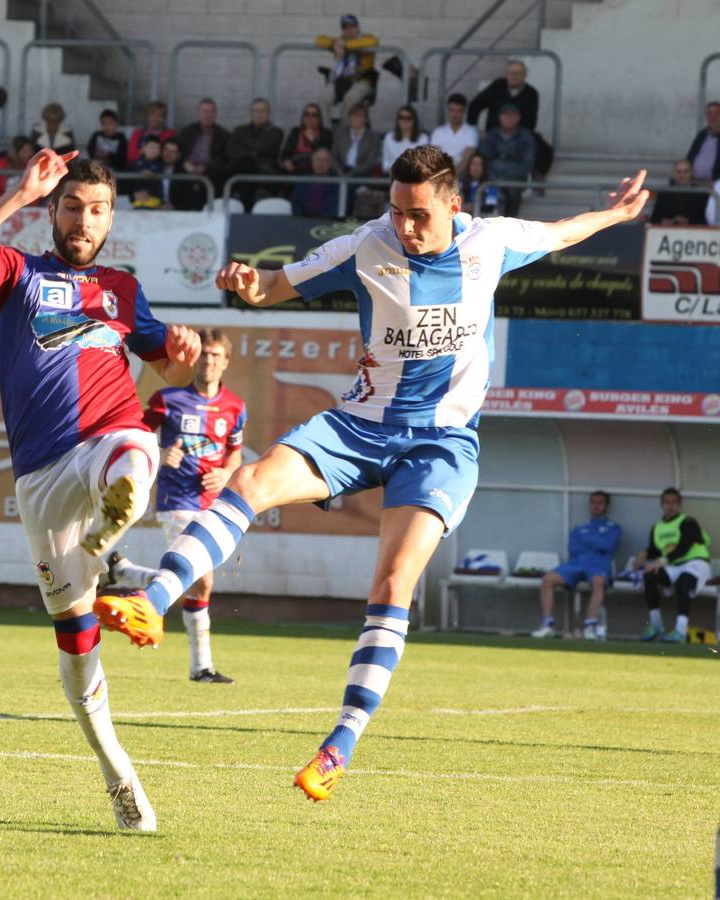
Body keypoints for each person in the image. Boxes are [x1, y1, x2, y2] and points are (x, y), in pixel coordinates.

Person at [94, 146, 651, 802]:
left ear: (453, 205)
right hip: (358, 426)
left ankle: (340, 744)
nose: (405, 227)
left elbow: (561, 233)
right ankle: (152, 601)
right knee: (249, 483)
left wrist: (615, 215)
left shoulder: (492, 242)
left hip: (442, 445)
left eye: (418, 215)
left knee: (392, 581)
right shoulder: (367, 245)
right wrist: (250, 287)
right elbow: (278, 285)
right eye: (396, 211)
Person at [0, 149, 201, 832]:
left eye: (99, 209)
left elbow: (160, 353)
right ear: (54, 212)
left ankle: (112, 531)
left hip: (109, 434)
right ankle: (118, 772)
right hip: (42, 474)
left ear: (112, 218)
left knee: (135, 455)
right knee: (76, 634)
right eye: (75, 207)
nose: (87, 220)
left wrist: (183, 347)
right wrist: (15, 198)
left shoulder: (123, 287)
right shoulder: (19, 274)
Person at [106, 328, 246, 683]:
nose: (209, 362)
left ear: (226, 362)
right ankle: (201, 668)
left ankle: (127, 574)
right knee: (202, 579)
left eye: (216, 356)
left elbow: (235, 453)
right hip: (176, 499)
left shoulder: (234, 407)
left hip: (214, 502)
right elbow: (134, 435)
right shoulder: (167, 399)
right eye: (204, 355)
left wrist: (226, 473)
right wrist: (158, 451)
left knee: (199, 581)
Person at [531, 491, 622, 641]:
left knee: (598, 582)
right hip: (577, 563)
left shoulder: (614, 528)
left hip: (598, 564)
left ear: (606, 505)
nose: (596, 506)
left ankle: (590, 626)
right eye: (593, 502)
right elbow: (573, 548)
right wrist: (597, 542)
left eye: (600, 502)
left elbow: (609, 545)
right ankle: (547, 625)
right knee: (548, 579)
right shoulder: (579, 528)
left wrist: (587, 540)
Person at [634, 488, 712, 643]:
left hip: (696, 562)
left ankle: (680, 631)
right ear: (661, 504)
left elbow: (685, 546)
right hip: (674, 565)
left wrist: (661, 561)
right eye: (667, 502)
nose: (670, 506)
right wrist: (644, 554)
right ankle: (656, 626)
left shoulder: (688, 521)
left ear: (679, 505)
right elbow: (656, 550)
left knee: (683, 584)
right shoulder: (657, 527)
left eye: (674, 502)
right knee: (650, 576)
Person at [315, 14, 379, 125]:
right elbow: (319, 39)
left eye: (352, 27)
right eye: (346, 28)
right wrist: (334, 44)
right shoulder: (339, 42)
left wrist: (345, 45)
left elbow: (373, 42)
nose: (349, 30)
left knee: (350, 98)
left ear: (358, 27)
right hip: (340, 80)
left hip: (362, 80)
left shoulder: (365, 38)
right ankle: (326, 132)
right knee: (323, 97)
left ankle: (345, 131)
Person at [224, 98, 284, 209]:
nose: (259, 114)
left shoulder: (276, 132)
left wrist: (245, 146)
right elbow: (230, 150)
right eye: (256, 110)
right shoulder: (240, 130)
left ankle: (246, 209)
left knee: (247, 162)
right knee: (242, 163)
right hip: (238, 169)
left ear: (268, 113)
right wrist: (253, 152)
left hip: (265, 170)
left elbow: (265, 147)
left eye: (263, 111)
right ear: (251, 113)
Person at [479, 103, 534, 216]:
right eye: (505, 115)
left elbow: (528, 163)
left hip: (514, 177)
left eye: (512, 115)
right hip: (493, 175)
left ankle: (510, 222)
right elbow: (484, 157)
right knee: (486, 188)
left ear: (518, 117)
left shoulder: (525, 136)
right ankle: (487, 220)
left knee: (514, 191)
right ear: (500, 117)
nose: (509, 118)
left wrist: (507, 176)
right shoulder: (492, 135)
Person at [177, 98, 230, 196]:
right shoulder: (186, 132)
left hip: (211, 173)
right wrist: (185, 162)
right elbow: (178, 152)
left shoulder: (224, 135)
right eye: (204, 111)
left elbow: (224, 158)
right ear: (198, 113)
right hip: (187, 171)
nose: (207, 115)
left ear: (215, 114)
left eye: (211, 111)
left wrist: (206, 167)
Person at [431, 93, 480, 174]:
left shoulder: (471, 131)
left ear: (464, 111)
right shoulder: (438, 132)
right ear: (448, 111)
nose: (455, 114)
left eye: (459, 111)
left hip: (463, 175)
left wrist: (453, 176)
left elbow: (467, 160)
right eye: (452, 110)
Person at [280, 103, 333, 175]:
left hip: (316, 169)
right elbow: (285, 154)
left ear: (319, 119)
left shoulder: (326, 134)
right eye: (307, 114)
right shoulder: (295, 132)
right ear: (303, 117)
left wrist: (313, 141)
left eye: (314, 115)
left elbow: (324, 153)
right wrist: (286, 161)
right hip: (295, 168)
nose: (310, 117)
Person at [650, 159, 708, 225]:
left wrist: (689, 222)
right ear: (673, 173)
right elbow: (654, 219)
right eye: (678, 172)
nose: (682, 175)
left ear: (691, 173)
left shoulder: (700, 194)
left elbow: (704, 220)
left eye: (685, 171)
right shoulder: (664, 193)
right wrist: (663, 221)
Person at [290, 147, 340, 217]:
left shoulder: (336, 183)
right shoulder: (304, 180)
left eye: (325, 160)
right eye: (317, 159)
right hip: (303, 220)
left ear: (330, 164)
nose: (320, 163)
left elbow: (335, 207)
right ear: (312, 162)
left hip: (326, 222)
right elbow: (296, 203)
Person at [381, 105, 429, 173]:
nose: (404, 120)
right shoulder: (389, 137)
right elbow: (385, 163)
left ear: (414, 120)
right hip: (392, 177)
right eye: (401, 117)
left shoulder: (423, 138)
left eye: (409, 118)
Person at [0, 135, 36, 202]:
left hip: (22, 206)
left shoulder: (31, 165)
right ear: (15, 152)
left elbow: (33, 191)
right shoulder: (1, 162)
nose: (28, 154)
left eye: (30, 151)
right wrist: (0, 204)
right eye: (24, 152)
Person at [127, 101, 176, 166]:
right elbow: (130, 155)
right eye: (153, 114)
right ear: (147, 116)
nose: (156, 118)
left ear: (164, 118)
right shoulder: (138, 133)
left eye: (160, 115)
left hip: (162, 171)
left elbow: (173, 157)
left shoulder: (171, 134)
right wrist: (144, 151)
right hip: (138, 171)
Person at [686, 101, 720, 186]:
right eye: (710, 114)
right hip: (695, 184)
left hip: (716, 187)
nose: (713, 117)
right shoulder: (701, 135)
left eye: (717, 113)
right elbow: (690, 157)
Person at [127, 135, 164, 208]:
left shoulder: (160, 165)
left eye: (157, 148)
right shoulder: (136, 164)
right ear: (143, 149)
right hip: (138, 198)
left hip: (155, 198)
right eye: (151, 147)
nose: (154, 150)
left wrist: (152, 173)